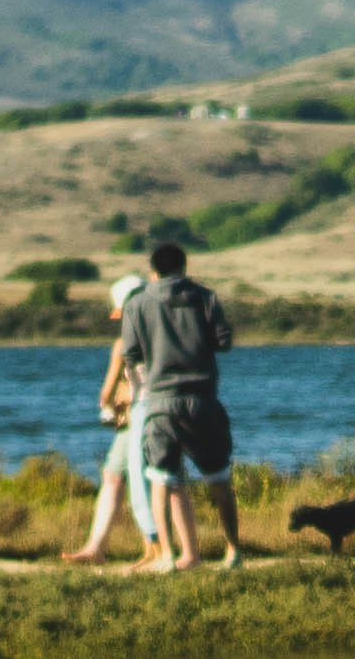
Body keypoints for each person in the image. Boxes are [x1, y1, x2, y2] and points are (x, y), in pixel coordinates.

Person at [75, 236, 239, 568]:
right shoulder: (206, 297)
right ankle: (233, 549)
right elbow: (223, 342)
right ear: (184, 266)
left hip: (160, 401)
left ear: (153, 272)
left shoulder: (137, 305)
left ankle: (165, 554)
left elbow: (131, 353)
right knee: (219, 478)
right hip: (202, 397)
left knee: (162, 479)